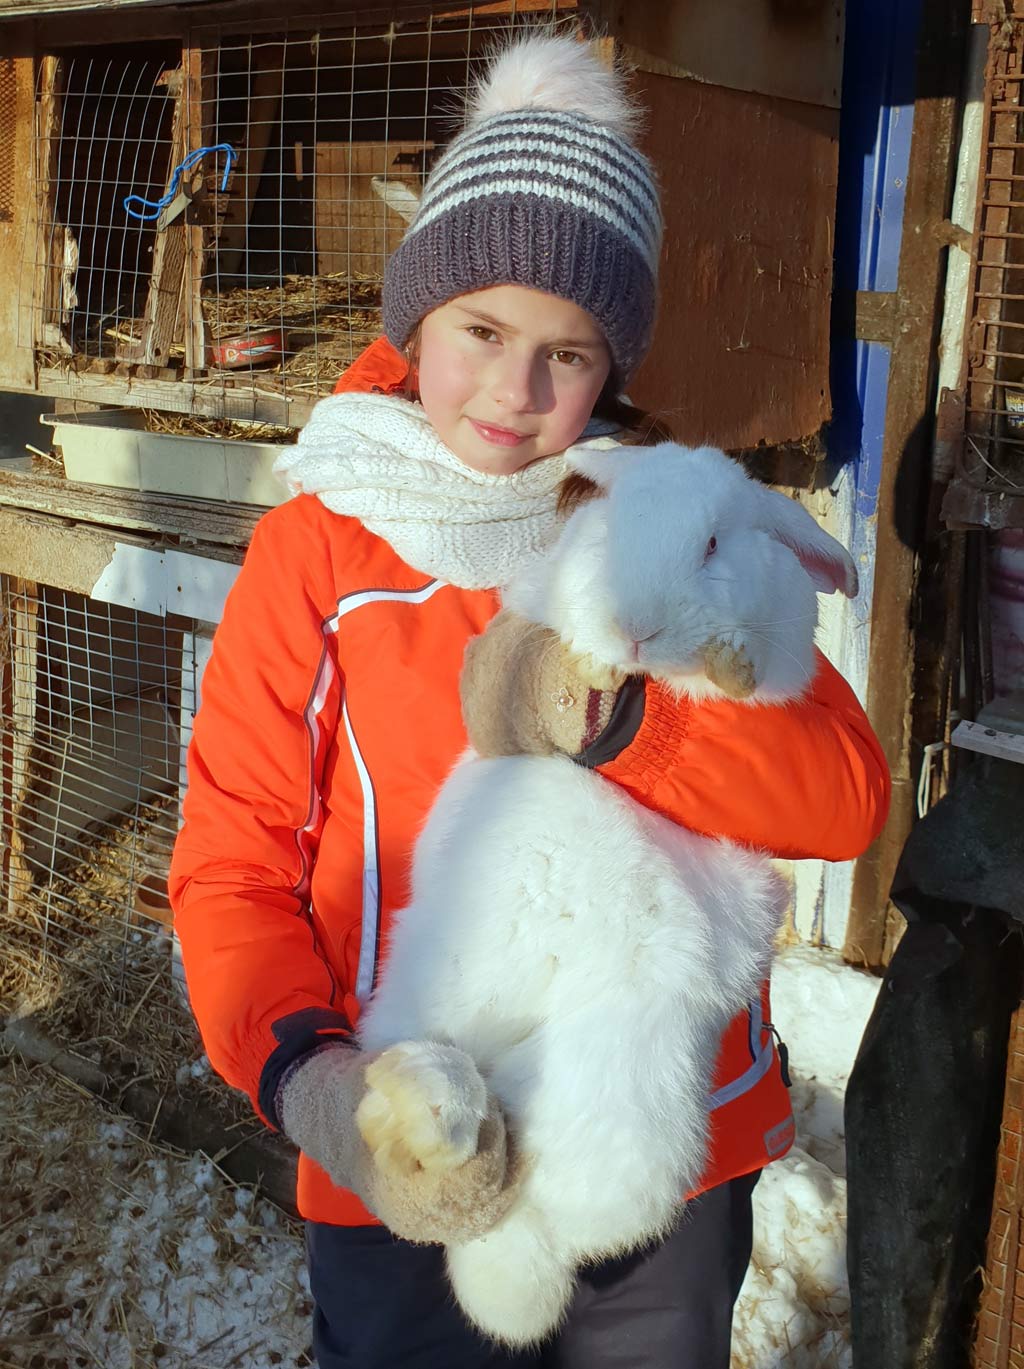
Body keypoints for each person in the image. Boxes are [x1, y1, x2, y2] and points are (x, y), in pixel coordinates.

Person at [169, 31, 890, 1369]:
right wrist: (323, 1086)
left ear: (612, 368)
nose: (515, 390)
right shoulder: (317, 553)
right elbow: (233, 862)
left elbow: (843, 793)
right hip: (415, 1142)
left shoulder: (660, 512)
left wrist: (630, 723)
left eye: (568, 354)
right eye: (482, 331)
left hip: (658, 1156)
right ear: (414, 320)